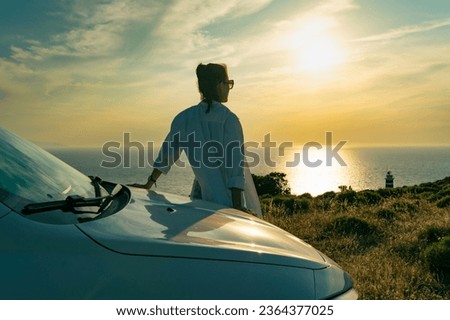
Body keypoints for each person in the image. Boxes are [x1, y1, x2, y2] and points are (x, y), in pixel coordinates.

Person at [130, 63, 261, 216]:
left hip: (203, 203)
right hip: (229, 206)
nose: (229, 88)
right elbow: (235, 166)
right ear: (219, 85)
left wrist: (148, 184)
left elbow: (167, 156)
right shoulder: (229, 120)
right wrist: (238, 206)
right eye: (228, 83)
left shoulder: (184, 118)